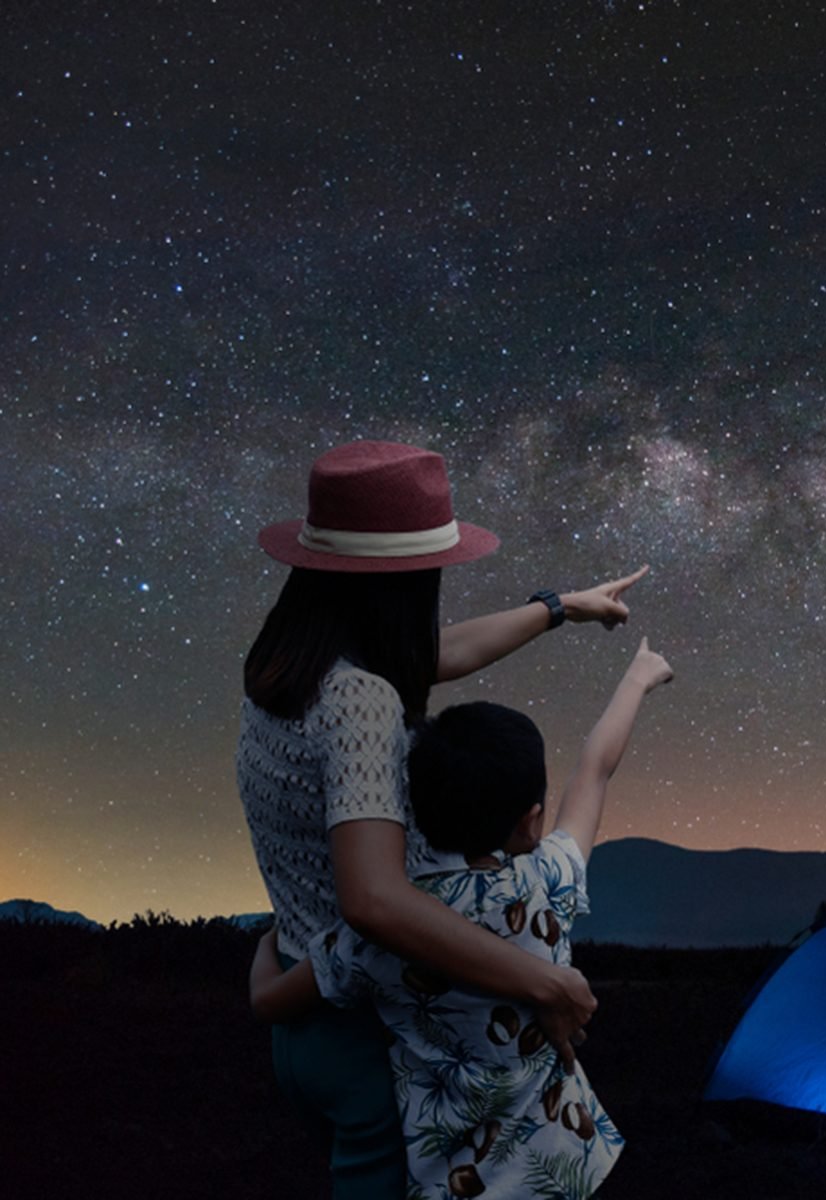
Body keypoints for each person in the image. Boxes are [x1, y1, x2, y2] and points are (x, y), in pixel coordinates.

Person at [236, 439, 649, 1197]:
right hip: (375, 1036)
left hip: (303, 1010)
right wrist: (546, 983)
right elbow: (373, 902)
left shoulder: (285, 670)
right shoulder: (362, 699)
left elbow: (437, 653)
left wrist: (558, 608)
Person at [250, 638, 674, 1200]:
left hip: (454, 1187)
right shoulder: (547, 881)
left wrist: (269, 942)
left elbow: (269, 1001)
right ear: (530, 821)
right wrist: (637, 679)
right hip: (569, 1165)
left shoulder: (386, 929)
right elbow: (594, 771)